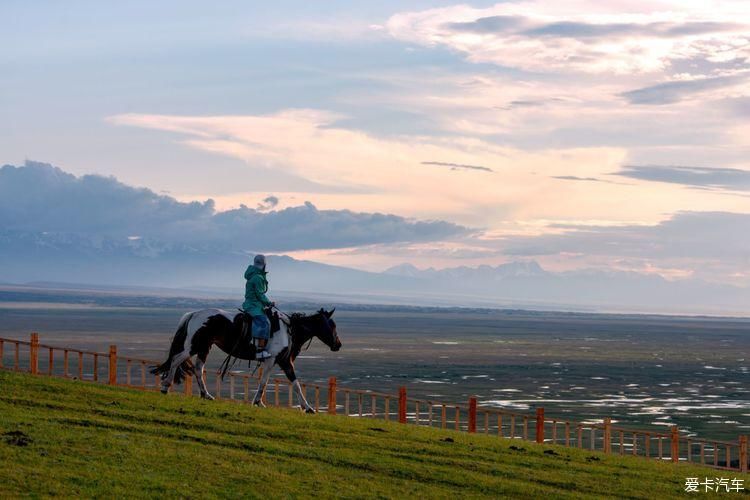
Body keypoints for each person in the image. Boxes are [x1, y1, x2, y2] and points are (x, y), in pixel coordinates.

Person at [242, 254, 274, 360]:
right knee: (263, 322)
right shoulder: (258, 277)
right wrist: (269, 303)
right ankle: (260, 350)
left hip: (252, 304)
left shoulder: (253, 275)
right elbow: (260, 294)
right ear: (264, 265)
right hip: (254, 305)